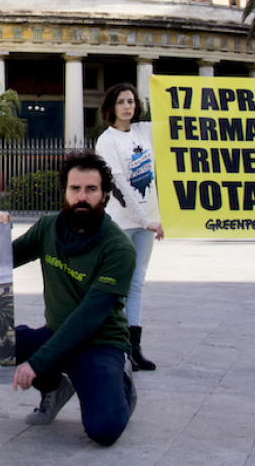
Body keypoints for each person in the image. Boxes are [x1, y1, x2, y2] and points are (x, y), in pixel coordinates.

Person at [0, 151, 137, 446]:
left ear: (105, 195)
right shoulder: (48, 227)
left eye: (91, 190)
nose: (82, 197)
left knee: (104, 430)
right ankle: (56, 388)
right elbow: (2, 261)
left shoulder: (118, 248)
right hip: (57, 334)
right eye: (75, 189)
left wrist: (36, 364)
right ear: (65, 192)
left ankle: (121, 384)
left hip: (100, 344)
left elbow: (88, 317)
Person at [95, 82, 164, 371]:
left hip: (148, 222)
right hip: (122, 223)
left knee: (137, 283)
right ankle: (114, 346)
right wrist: (146, 220)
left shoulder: (143, 131)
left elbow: (172, 123)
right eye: (122, 101)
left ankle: (134, 349)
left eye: (132, 101)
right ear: (111, 106)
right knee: (116, 286)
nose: (128, 106)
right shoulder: (106, 140)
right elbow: (119, 185)